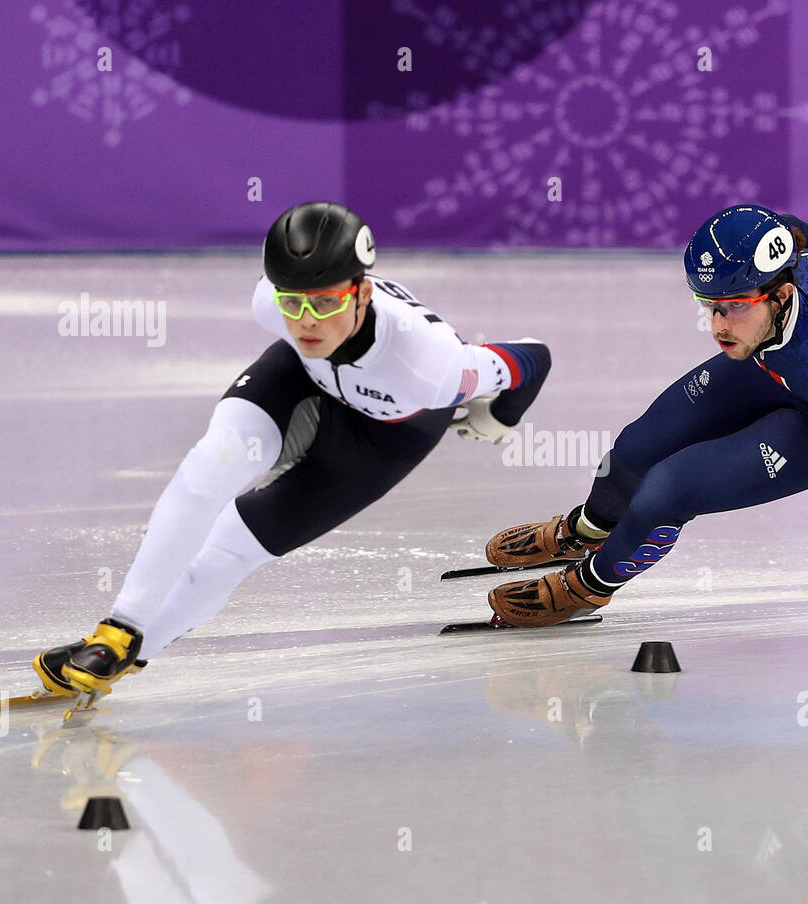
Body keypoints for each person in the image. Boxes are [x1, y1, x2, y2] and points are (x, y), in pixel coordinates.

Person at [30, 201, 550, 699]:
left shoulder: (431, 367)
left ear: (362, 293)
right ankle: (116, 635)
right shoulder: (273, 306)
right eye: (292, 303)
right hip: (300, 380)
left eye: (326, 303)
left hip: (385, 437)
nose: (307, 322)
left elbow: (534, 357)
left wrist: (500, 414)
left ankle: (133, 656)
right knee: (212, 467)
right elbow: (296, 318)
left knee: (228, 552)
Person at [484, 204, 808, 627]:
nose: (717, 325)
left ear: (781, 294)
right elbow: (792, 230)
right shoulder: (777, 259)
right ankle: (588, 529)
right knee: (636, 448)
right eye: (708, 305)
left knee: (668, 489)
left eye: (732, 307)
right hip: (781, 358)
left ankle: (589, 587)